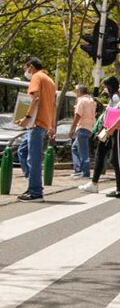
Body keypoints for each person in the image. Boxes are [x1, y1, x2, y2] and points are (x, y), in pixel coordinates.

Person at [16, 57, 56, 202]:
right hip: (42, 124)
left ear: (31, 67)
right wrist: (52, 125)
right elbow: (53, 105)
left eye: (25, 68)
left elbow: (36, 98)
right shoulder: (49, 80)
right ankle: (33, 183)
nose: (25, 72)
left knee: (33, 158)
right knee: (22, 151)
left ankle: (36, 192)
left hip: (36, 123)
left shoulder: (37, 77)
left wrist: (26, 117)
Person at [84, 76, 120, 192]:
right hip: (108, 129)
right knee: (107, 155)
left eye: (105, 86)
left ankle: (94, 183)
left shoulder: (115, 97)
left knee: (101, 154)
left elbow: (113, 115)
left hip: (108, 129)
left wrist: (105, 131)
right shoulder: (115, 97)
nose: (104, 89)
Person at [69, 85, 96, 180]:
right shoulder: (91, 100)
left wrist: (72, 128)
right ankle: (78, 170)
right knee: (75, 148)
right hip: (89, 127)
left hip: (82, 127)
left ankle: (84, 172)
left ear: (79, 91)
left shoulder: (81, 101)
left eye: (76, 91)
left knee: (83, 150)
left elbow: (78, 115)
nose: (76, 93)